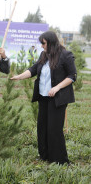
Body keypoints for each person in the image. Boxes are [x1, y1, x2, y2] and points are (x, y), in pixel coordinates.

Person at [11, 31, 77, 165]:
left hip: (57, 98)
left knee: (54, 129)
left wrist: (57, 87)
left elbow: (72, 76)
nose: (41, 46)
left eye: (43, 43)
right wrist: (19, 76)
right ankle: (45, 155)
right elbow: (33, 69)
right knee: (42, 127)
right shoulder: (44, 55)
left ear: (51, 42)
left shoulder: (65, 55)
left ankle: (59, 160)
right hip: (43, 97)